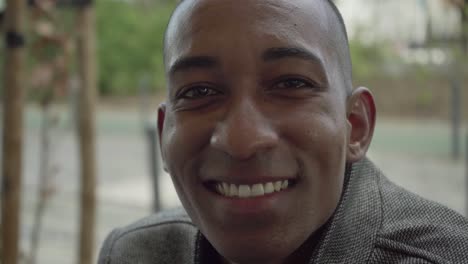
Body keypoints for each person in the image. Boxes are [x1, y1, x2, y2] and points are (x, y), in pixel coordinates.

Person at [98, 0, 468, 263]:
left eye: (291, 83)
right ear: (164, 135)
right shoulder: (134, 252)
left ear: (355, 125)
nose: (242, 140)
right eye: (198, 92)